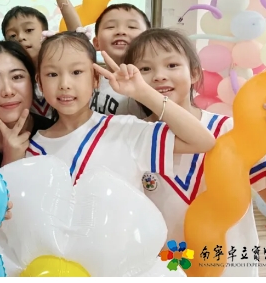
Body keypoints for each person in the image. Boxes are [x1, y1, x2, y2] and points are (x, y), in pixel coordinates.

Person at [125, 28, 266, 277]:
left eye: (172, 65)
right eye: (145, 69)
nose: (159, 76)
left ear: (194, 73)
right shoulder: (131, 137)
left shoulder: (229, 129)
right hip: (161, 272)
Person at [19, 32, 215, 192]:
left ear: (96, 79)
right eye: (52, 74)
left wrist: (144, 92)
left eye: (76, 72)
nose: (64, 84)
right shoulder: (33, 148)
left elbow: (202, 141)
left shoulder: (125, 130)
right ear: (39, 83)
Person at [90, 3, 151, 116]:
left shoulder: (154, 80)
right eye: (110, 27)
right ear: (96, 43)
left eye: (132, 27)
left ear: (148, 40)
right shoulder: (89, 80)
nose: (121, 31)